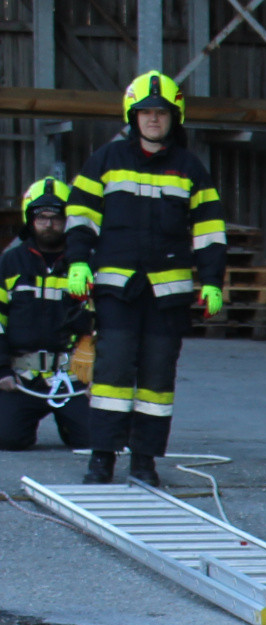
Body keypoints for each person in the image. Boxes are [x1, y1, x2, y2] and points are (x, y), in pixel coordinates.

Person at [63, 71, 224, 487]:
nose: (153, 119)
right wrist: (78, 262)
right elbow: (80, 216)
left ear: (175, 117)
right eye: (146, 112)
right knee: (112, 374)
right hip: (117, 291)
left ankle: (144, 462)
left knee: (157, 381)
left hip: (167, 296)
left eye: (162, 112)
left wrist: (211, 280)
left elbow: (209, 230)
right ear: (132, 116)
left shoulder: (190, 168)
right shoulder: (105, 160)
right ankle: (102, 459)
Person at [0, 177, 93, 452]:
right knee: (7, 438)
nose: (49, 224)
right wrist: (2, 369)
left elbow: (104, 321)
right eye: (42, 217)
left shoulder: (85, 265)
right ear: (30, 219)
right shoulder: (10, 262)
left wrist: (100, 373)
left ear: (68, 220)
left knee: (94, 440)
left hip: (73, 377)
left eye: (56, 217)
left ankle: (72, 423)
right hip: (22, 378)